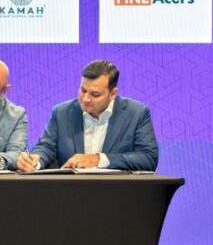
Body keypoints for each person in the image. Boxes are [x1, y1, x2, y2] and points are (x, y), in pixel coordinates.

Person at [17, 60, 158, 172]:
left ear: (112, 93)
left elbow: (148, 158)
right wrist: (35, 160)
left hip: (117, 193)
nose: (85, 99)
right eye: (83, 90)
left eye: (95, 94)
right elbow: (46, 147)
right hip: (71, 193)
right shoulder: (61, 113)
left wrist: (98, 159)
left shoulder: (137, 113)